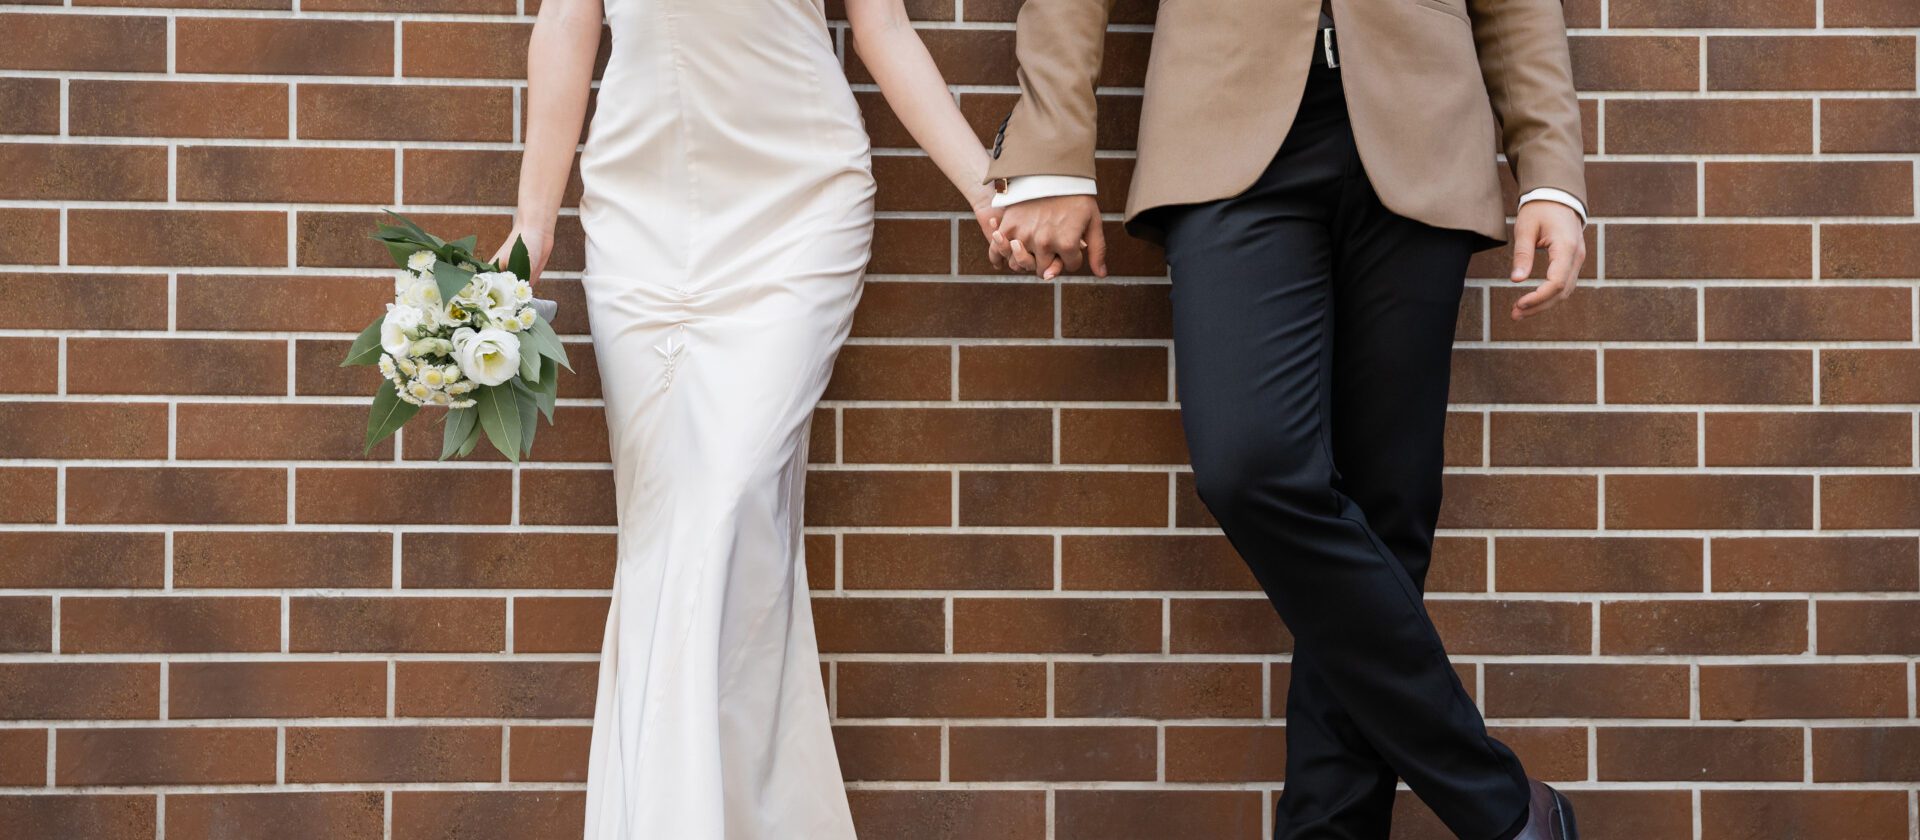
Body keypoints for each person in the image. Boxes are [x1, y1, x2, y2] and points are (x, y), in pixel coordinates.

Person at [986, 1, 1588, 839]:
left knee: (1387, 518)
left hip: (1425, 133)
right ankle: (1497, 800)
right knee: (1250, 467)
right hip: (1224, 136)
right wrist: (1053, 154)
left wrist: (1551, 171)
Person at [491, 1, 1003, 836]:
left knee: (728, 501)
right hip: (640, 215)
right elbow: (564, 27)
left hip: (796, 205)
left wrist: (987, 188)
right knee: (667, 528)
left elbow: (883, 28)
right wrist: (531, 228)